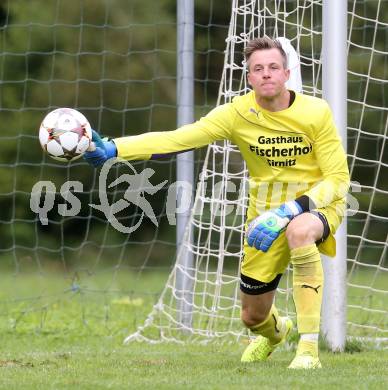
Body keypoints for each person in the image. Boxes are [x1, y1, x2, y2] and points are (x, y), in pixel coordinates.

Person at [84, 36, 349, 369]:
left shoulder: (316, 112)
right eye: (258, 69)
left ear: (286, 72)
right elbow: (178, 138)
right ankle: (277, 332)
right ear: (249, 77)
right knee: (252, 317)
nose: (266, 74)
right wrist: (113, 149)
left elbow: (338, 179)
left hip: (315, 205)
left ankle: (308, 350)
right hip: (262, 217)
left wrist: (291, 208)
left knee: (300, 231)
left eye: (273, 67)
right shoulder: (237, 113)